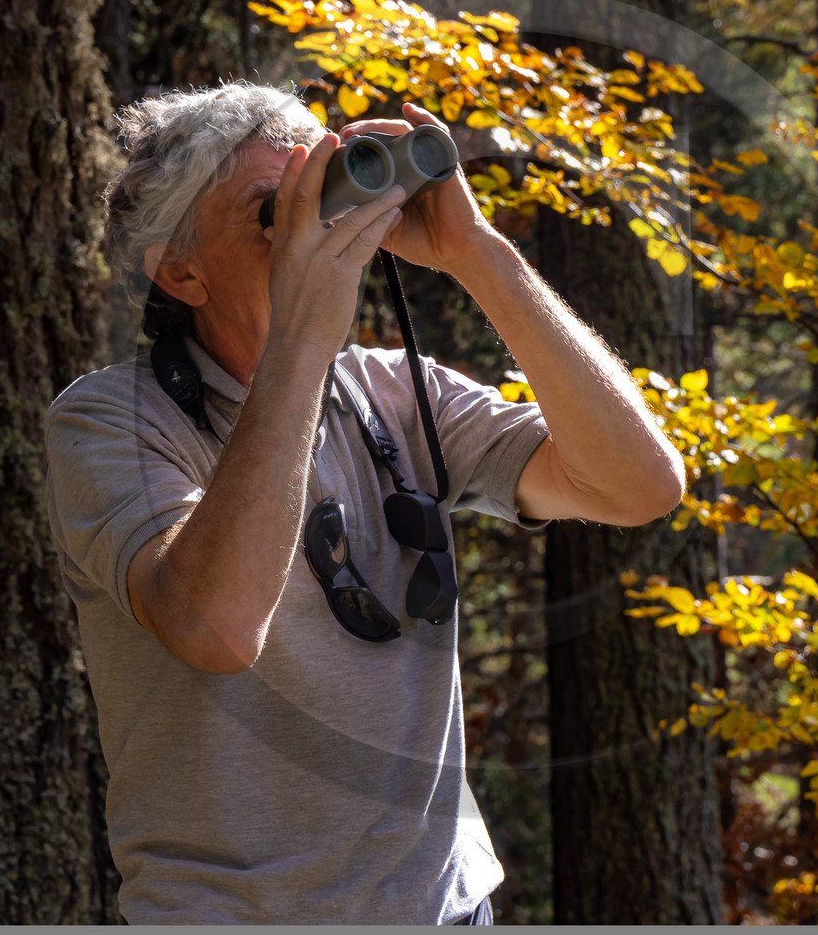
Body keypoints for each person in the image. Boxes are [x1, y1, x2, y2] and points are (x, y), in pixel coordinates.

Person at [43, 81, 685, 924]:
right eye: (278, 211)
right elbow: (217, 627)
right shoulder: (112, 422)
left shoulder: (394, 394)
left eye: (329, 193)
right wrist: (305, 333)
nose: (321, 229)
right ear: (181, 268)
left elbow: (639, 484)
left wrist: (475, 252)